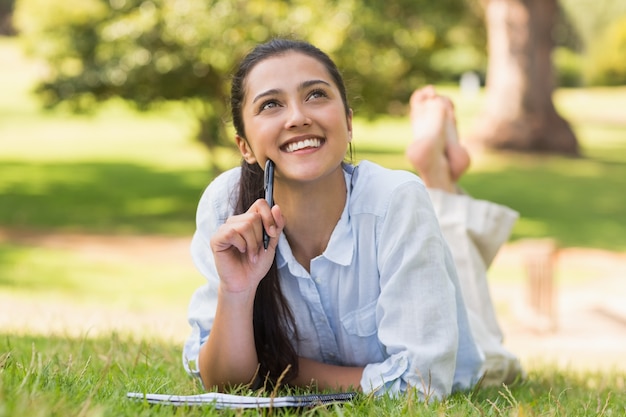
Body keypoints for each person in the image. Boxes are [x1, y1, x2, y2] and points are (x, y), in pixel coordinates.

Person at [183, 38, 521, 399]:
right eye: (270, 104)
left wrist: (280, 369)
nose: (298, 117)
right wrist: (236, 291)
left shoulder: (395, 200)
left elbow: (422, 384)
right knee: (447, 246)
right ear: (245, 146)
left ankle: (435, 175)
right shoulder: (227, 206)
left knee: (486, 339)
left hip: (464, 342)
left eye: (315, 95)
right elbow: (222, 382)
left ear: (348, 122)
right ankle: (436, 172)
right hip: (402, 224)